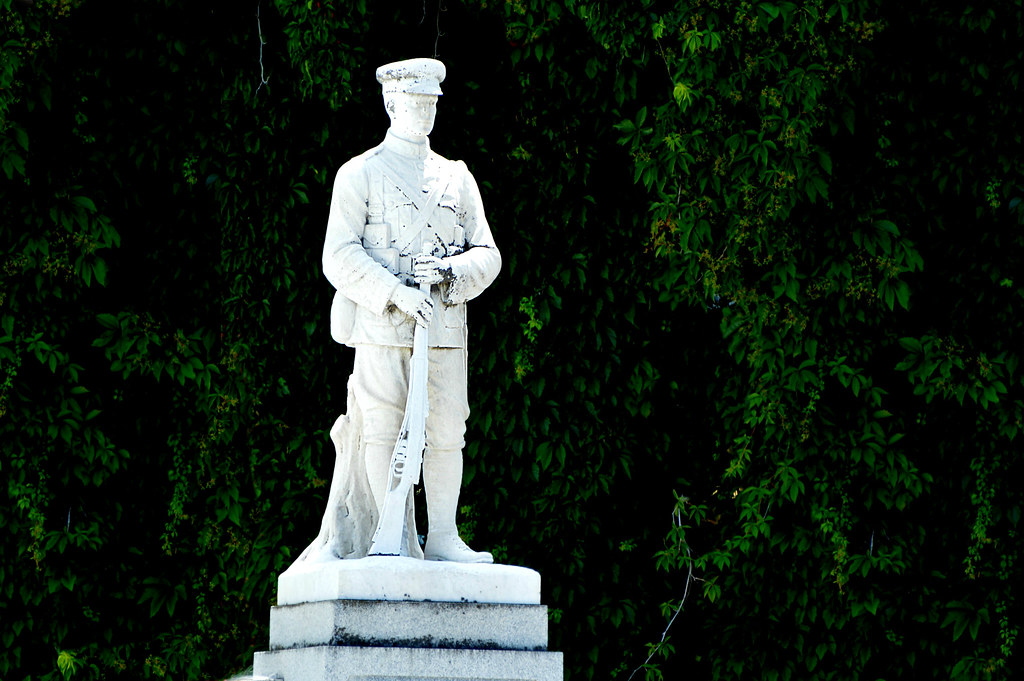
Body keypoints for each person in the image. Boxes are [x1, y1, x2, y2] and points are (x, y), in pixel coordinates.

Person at [298, 58, 500, 565]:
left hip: (443, 328)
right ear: (391, 103)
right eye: (414, 102)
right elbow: (337, 255)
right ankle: (390, 539)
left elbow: (488, 254)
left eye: (430, 103)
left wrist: (449, 272)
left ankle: (444, 537)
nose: (424, 111)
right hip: (382, 327)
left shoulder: (457, 178)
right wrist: (394, 291)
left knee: (447, 431)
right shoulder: (359, 174)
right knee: (384, 427)